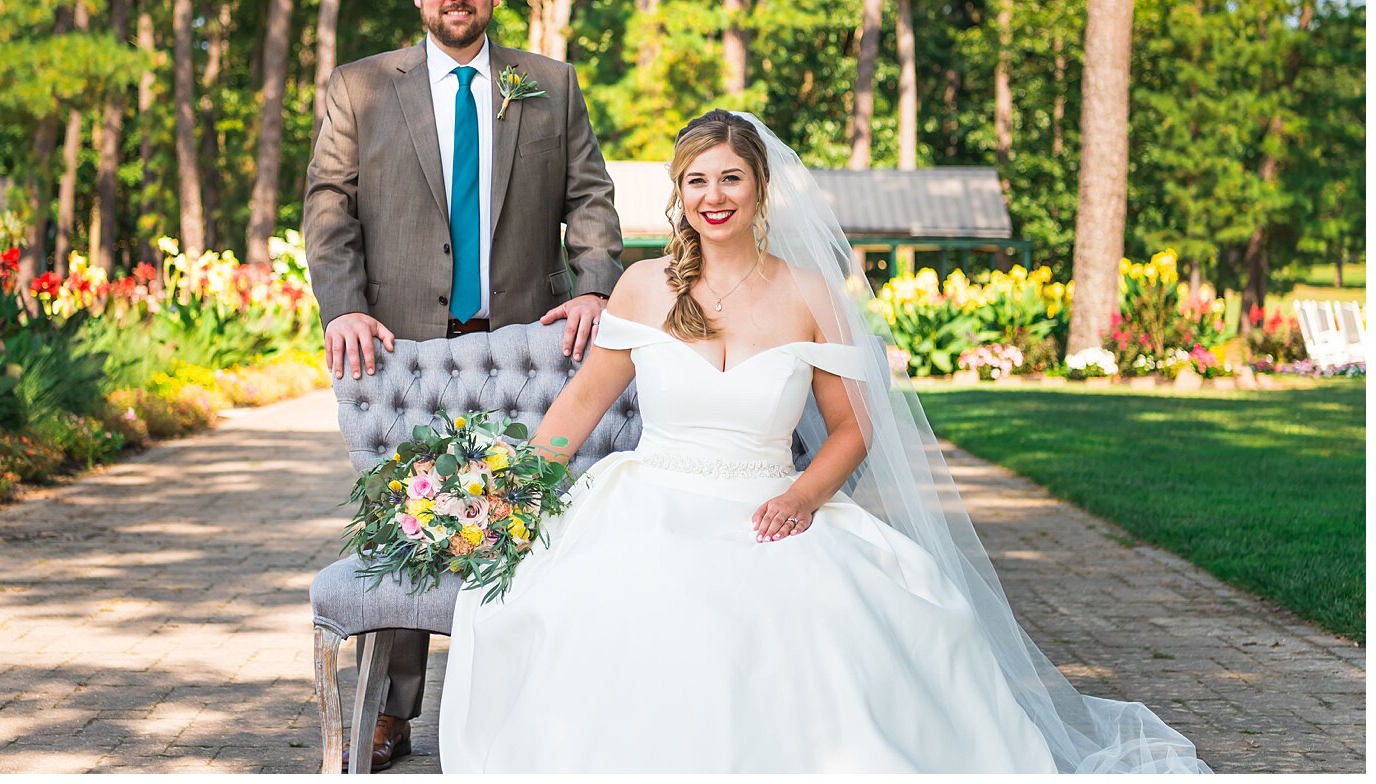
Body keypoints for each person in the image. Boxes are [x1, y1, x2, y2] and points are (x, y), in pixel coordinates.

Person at [438, 110, 1210, 773]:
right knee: (638, 602)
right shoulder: (644, 285)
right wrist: (509, 491)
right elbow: (580, 404)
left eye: (731, 179)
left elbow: (854, 427)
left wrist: (804, 497)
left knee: (829, 621)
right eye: (697, 180)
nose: (714, 197)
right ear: (679, 193)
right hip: (651, 497)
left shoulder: (809, 294)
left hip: (774, 501)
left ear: (760, 190)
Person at [302, 0, 623, 771]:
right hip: (401, 350)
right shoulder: (361, 86)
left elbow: (590, 198)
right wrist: (342, 308)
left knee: (531, 516)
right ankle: (392, 714)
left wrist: (594, 284)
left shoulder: (546, 83)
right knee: (413, 519)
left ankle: (532, 701)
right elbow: (328, 209)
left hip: (527, 347)